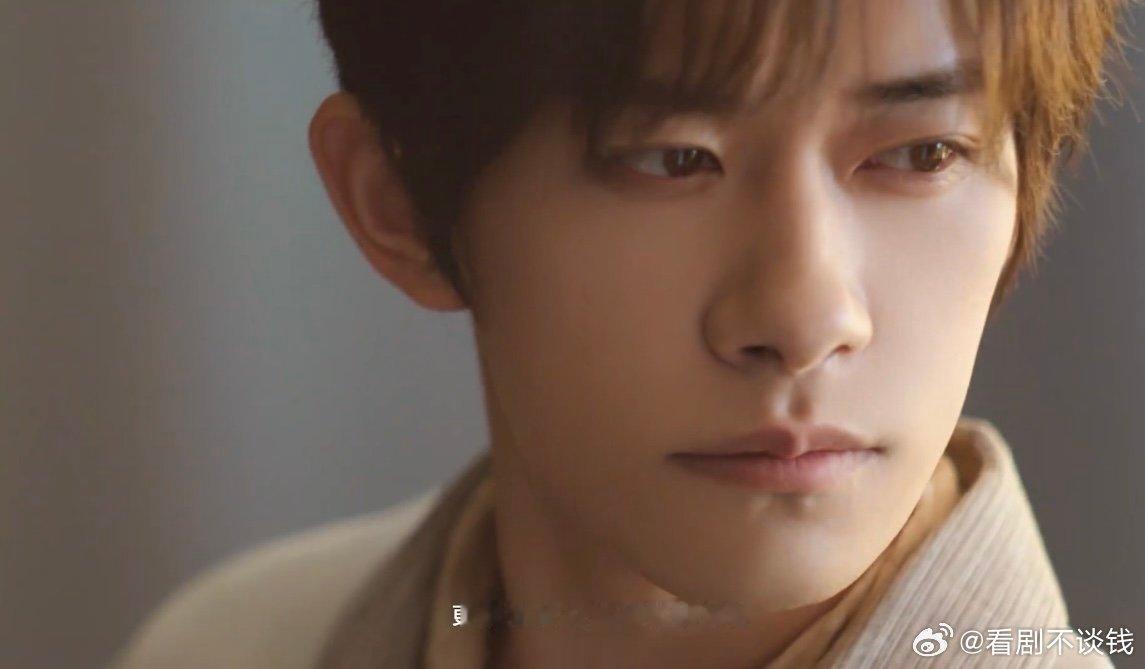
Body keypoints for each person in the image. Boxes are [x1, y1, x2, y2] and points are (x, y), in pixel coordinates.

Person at [112, 1, 1135, 667]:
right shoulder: (233, 644)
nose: (803, 320)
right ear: (399, 203)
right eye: (671, 160)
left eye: (919, 154)